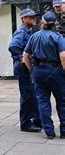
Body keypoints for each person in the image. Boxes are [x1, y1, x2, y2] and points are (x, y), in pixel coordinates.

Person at [23, 11, 65, 139]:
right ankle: (64, 131)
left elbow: (25, 56)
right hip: (55, 71)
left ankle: (49, 132)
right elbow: (63, 56)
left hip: (39, 71)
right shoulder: (58, 37)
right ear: (54, 24)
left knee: (43, 101)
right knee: (62, 101)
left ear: (43, 22)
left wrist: (32, 70)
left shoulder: (34, 36)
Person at [8, 8, 42, 133]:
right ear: (24, 19)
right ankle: (26, 124)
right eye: (31, 17)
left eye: (34, 17)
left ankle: (33, 121)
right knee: (27, 95)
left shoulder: (27, 31)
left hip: (25, 67)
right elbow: (12, 46)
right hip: (23, 68)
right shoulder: (22, 32)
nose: (34, 19)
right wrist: (21, 58)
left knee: (30, 94)